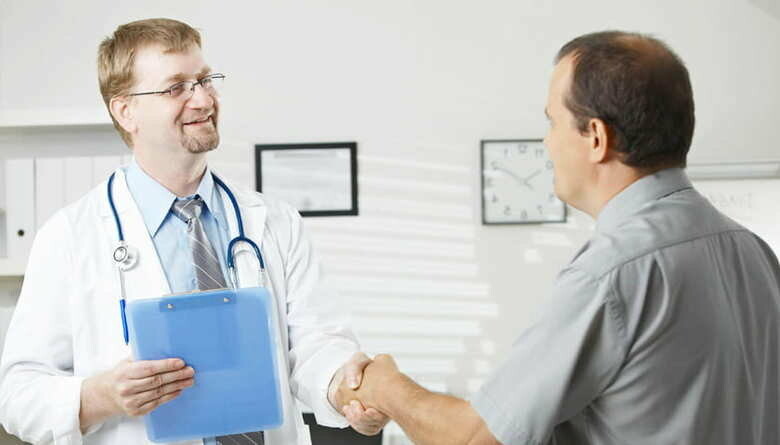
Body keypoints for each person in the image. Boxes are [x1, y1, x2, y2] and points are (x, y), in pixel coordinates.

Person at [337, 30, 780, 445]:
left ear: (596, 137)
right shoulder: (754, 253)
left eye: (553, 122)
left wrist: (386, 386)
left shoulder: (612, 272)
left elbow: (477, 439)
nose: (547, 143)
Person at [0, 18, 387, 445]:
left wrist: (345, 392)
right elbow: (17, 394)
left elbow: (317, 346)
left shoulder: (274, 222)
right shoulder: (70, 237)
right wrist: (100, 396)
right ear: (125, 111)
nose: (203, 100)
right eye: (176, 88)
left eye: (205, 80)